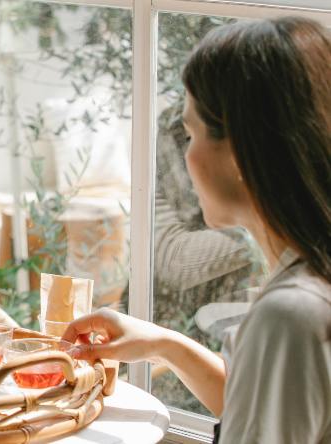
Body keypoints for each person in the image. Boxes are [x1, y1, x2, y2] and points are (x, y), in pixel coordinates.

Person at [63, 16, 330, 443]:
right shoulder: (308, 276)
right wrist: (164, 344)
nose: (185, 158)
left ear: (242, 151)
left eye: (190, 134)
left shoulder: (292, 315)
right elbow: (265, 407)